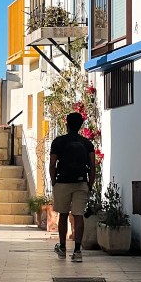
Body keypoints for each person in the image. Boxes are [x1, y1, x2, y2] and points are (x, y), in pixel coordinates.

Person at [49, 111, 95, 263]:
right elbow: (92, 166)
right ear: (81, 126)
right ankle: (77, 251)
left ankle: (62, 248)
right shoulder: (87, 143)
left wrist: (54, 181)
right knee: (78, 215)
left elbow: (52, 164)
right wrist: (90, 184)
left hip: (62, 182)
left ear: (66, 124)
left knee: (63, 215)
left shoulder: (58, 142)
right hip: (81, 182)